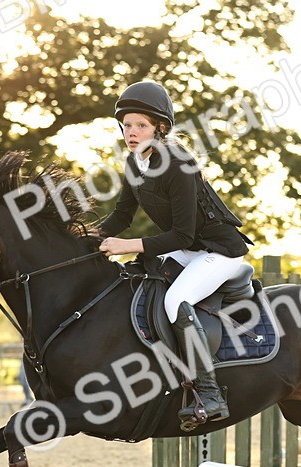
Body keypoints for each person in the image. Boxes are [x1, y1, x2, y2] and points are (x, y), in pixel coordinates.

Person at [96, 81, 251, 430]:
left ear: (160, 128)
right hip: (187, 251)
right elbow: (121, 217)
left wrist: (126, 245)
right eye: (126, 125)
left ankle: (209, 393)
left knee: (176, 299)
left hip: (219, 251)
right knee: (140, 278)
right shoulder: (134, 164)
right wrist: (90, 238)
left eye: (140, 125)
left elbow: (183, 233)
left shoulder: (178, 162)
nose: (131, 133)